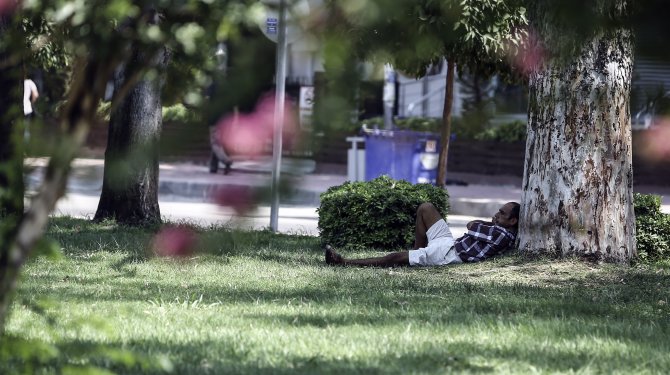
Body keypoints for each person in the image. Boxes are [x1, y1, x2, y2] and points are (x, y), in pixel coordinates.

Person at [325, 201, 520, 267]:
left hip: (449, 255)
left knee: (392, 258)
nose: (496, 215)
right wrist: (492, 222)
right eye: (498, 211)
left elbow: (471, 224)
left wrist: (488, 222)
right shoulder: (497, 229)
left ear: (513, 221)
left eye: (502, 214)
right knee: (426, 208)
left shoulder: (502, 235)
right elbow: (473, 226)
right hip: (449, 243)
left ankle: (343, 262)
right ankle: (416, 253)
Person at [23, 74, 39, 141]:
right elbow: (36, 94)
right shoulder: (29, 82)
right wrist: (32, 102)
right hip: (26, 108)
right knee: (26, 127)